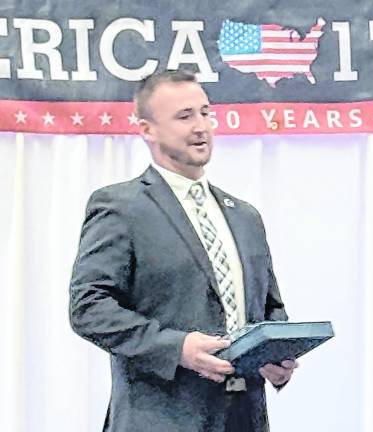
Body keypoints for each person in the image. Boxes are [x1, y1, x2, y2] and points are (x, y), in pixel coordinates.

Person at [69, 69, 297, 432]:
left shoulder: (245, 216)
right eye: (184, 116)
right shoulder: (120, 206)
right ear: (147, 129)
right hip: (161, 419)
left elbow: (270, 308)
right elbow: (89, 308)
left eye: (205, 112)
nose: (201, 126)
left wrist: (278, 355)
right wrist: (177, 348)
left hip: (245, 419)